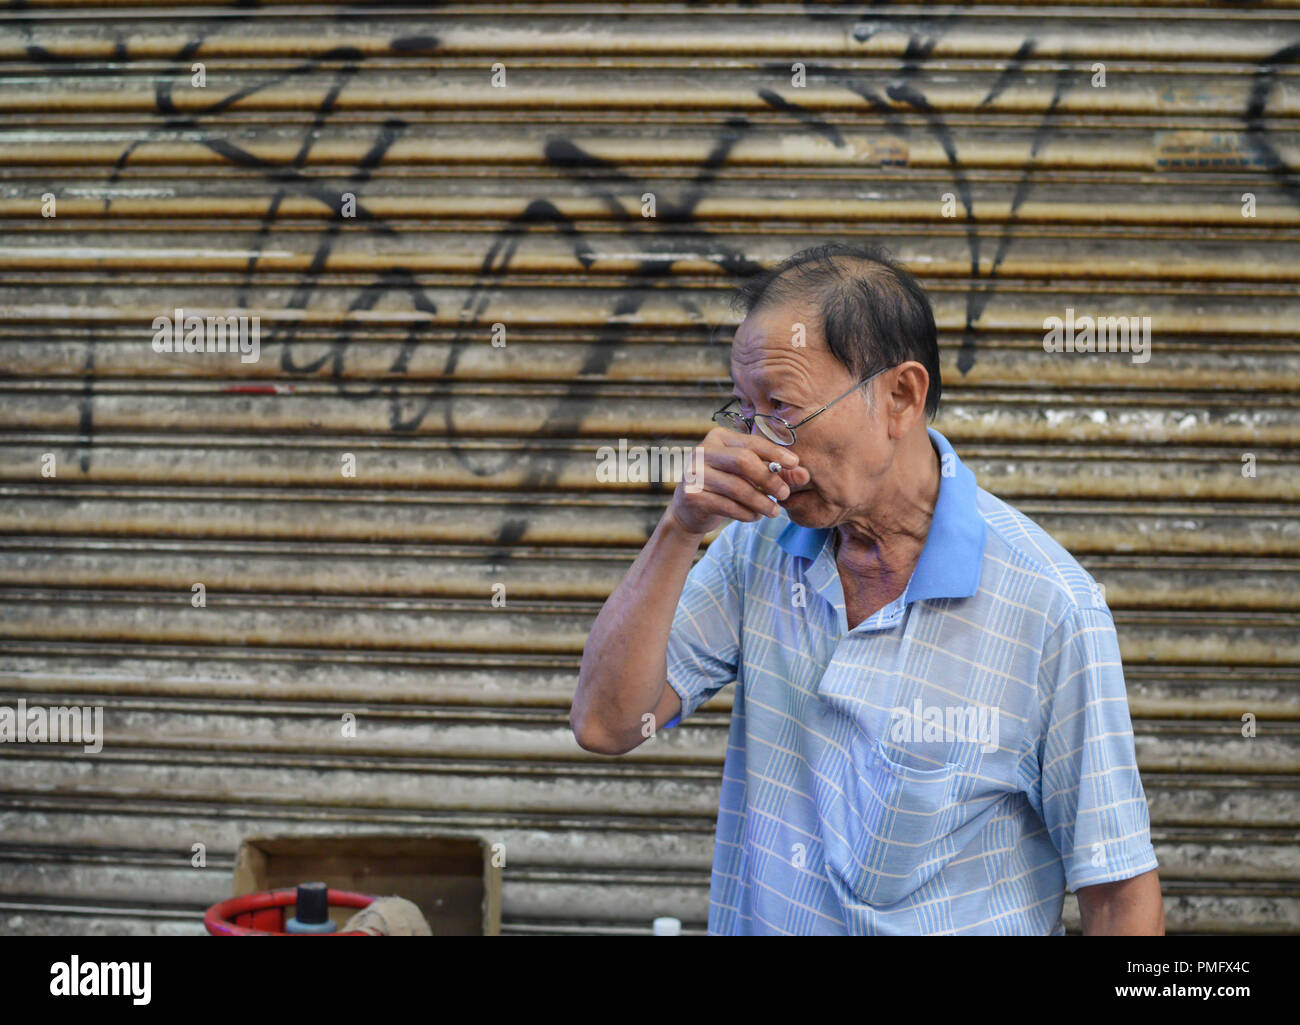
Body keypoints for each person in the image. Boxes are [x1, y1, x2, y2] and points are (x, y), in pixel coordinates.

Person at [571, 241, 1163, 935]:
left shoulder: (1049, 606)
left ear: (900, 397)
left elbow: (1119, 897)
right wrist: (679, 527)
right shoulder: (753, 546)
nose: (762, 445)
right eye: (744, 410)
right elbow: (606, 723)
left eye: (784, 409)